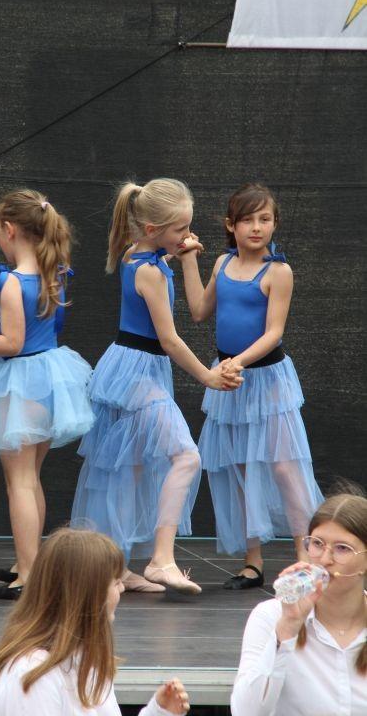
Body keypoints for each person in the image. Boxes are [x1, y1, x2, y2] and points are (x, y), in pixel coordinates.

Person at [71, 179, 243, 594]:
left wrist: (178, 253)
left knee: (128, 468)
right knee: (185, 456)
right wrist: (207, 376)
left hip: (129, 366)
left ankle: (112, 568)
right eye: (179, 229)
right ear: (151, 228)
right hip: (139, 370)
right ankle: (161, 559)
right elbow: (169, 339)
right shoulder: (148, 272)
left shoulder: (136, 254)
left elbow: (158, 261)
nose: (187, 234)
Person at [0, 189, 95, 600]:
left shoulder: (11, 281)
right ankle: (27, 562)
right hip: (48, 380)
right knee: (31, 479)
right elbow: (18, 330)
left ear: (9, 230)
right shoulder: (53, 274)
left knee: (20, 482)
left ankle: (29, 574)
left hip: (21, 383)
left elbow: (10, 342)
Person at [179, 183, 323, 589]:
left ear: (275, 223)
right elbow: (199, 311)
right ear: (231, 225)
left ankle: (305, 557)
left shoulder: (278, 272)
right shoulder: (222, 264)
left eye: (265, 219)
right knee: (240, 467)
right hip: (230, 381)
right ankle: (252, 562)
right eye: (248, 220)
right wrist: (188, 260)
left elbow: (274, 333)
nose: (257, 227)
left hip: (266, 378)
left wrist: (236, 362)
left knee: (284, 466)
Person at [0, 527, 190, 715]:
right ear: (87, 594)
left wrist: (159, 712)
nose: (122, 589)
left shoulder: (86, 661)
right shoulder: (32, 674)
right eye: (116, 582)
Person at [230, 491, 367, 715]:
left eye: (342, 548)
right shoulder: (271, 616)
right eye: (317, 544)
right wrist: (287, 627)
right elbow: (246, 711)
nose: (325, 560)